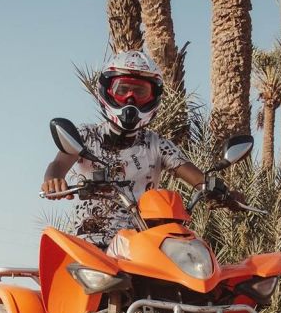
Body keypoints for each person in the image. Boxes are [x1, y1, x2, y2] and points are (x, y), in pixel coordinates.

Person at [40, 50, 241, 248]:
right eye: (122, 90)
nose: (130, 99)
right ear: (107, 91)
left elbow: (197, 178)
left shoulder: (157, 144)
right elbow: (59, 164)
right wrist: (53, 180)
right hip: (91, 243)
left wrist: (224, 193)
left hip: (144, 244)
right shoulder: (85, 136)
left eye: (140, 92)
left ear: (153, 97)